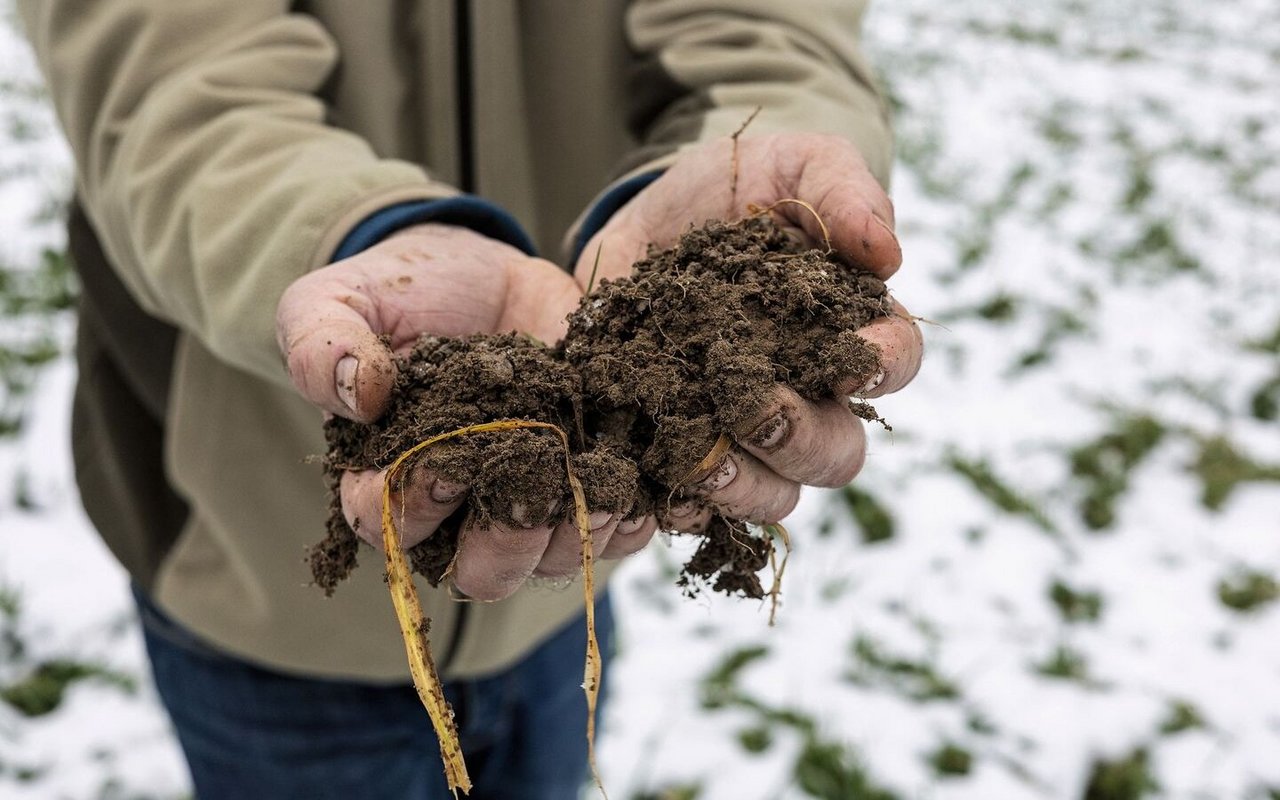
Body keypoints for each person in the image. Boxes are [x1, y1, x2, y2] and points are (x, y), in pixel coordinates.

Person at [21, 1, 923, 797]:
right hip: (252, 577)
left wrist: (744, 179)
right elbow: (165, 77)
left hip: (570, 573)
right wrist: (355, 233)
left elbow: (767, 28)